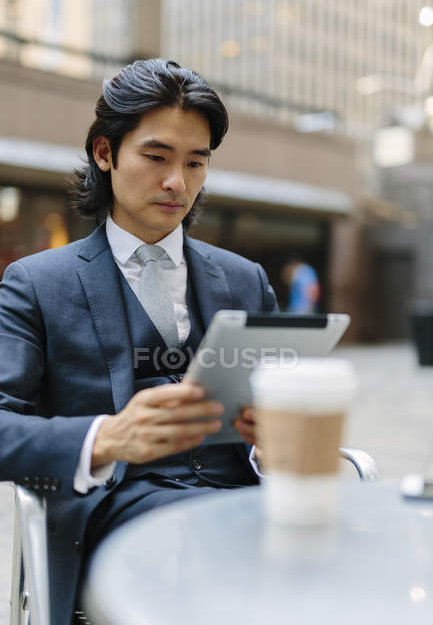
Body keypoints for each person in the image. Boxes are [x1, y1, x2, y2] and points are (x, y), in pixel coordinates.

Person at [0, 59, 278, 625]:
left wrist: (274, 443)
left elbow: (281, 410)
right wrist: (106, 438)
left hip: (246, 509)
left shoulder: (245, 279)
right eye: (157, 158)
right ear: (105, 154)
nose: (178, 182)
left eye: (195, 163)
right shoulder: (37, 284)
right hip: (116, 517)